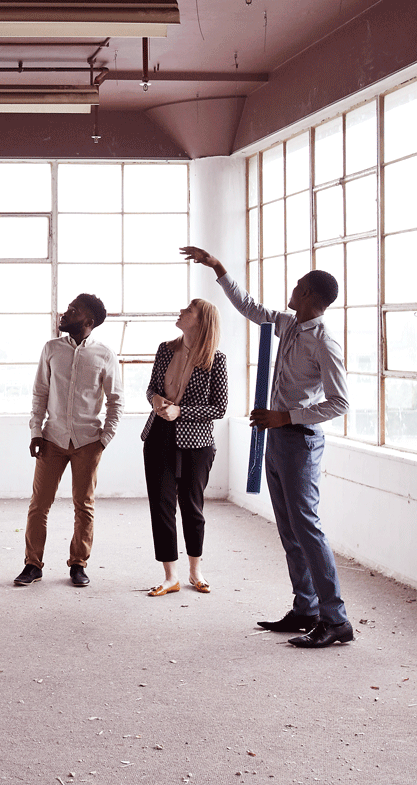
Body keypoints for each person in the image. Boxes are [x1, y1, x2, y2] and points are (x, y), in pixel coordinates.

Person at [184, 245, 353, 648]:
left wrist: (286, 417)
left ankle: (336, 620)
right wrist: (218, 268)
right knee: (291, 530)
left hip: (300, 442)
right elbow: (250, 307)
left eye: (298, 286)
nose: (291, 290)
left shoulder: (325, 342)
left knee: (307, 528)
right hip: (277, 439)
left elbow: (340, 402)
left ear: (311, 295)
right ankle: (306, 609)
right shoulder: (290, 323)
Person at [14, 294, 124, 587]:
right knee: (39, 505)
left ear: (88, 322)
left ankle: (78, 564)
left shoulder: (105, 355)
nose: (65, 313)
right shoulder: (51, 349)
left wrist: (105, 439)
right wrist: (36, 431)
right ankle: (32, 565)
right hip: (52, 438)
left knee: (84, 505)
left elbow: (116, 400)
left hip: (88, 441)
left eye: (73, 311)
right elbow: (39, 393)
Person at [142, 299, 228, 597]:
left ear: (202, 320)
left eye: (188, 310)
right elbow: (152, 387)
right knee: (162, 506)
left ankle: (195, 571)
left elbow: (220, 407)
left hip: (197, 442)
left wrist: (182, 411)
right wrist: (156, 400)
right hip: (159, 435)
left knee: (192, 507)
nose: (181, 311)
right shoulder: (166, 349)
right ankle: (170, 576)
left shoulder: (216, 359)